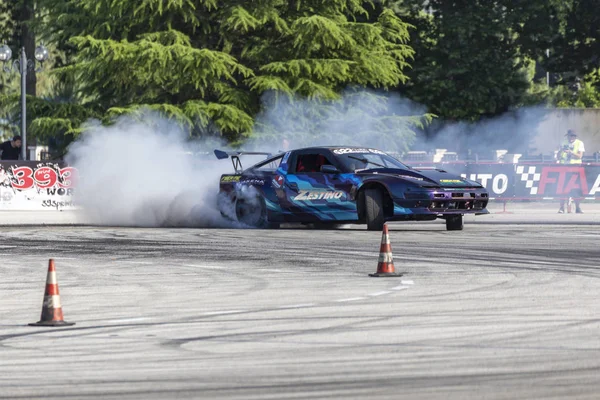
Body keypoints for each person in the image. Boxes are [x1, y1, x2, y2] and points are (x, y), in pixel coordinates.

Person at [556, 129, 585, 213]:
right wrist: (561, 150)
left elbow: (579, 156)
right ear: (567, 136)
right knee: (562, 188)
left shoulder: (580, 143)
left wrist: (571, 152)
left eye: (573, 136)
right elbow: (558, 156)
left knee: (576, 188)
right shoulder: (563, 142)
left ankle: (577, 208)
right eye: (570, 136)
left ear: (575, 137)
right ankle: (561, 208)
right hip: (564, 167)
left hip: (575, 167)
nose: (571, 137)